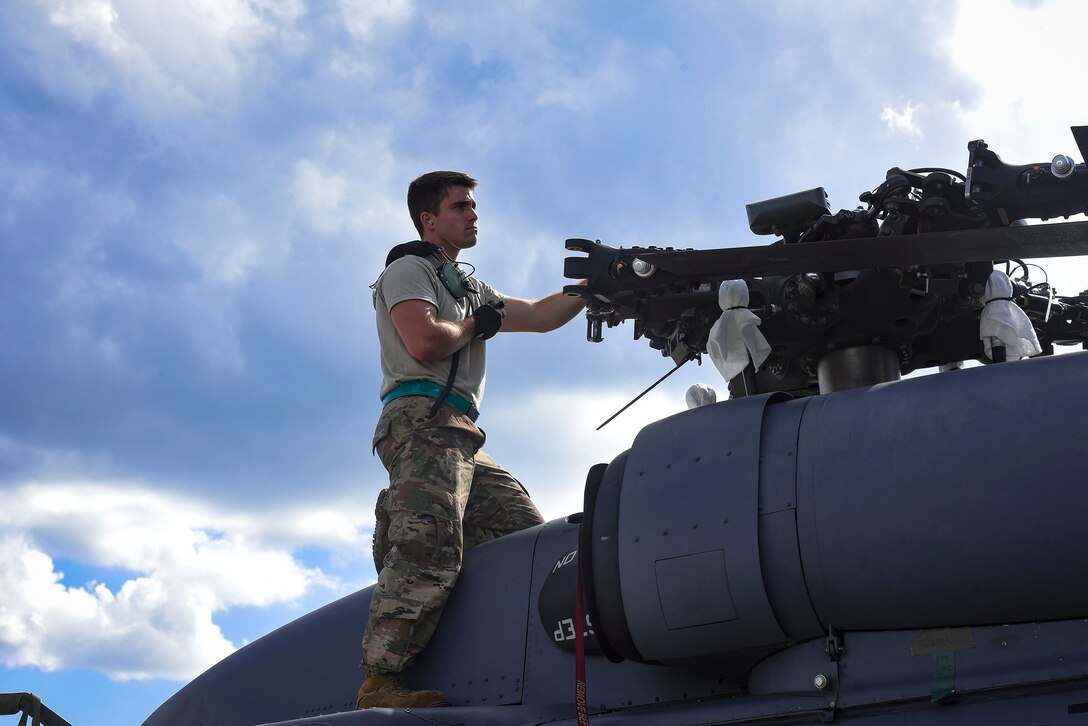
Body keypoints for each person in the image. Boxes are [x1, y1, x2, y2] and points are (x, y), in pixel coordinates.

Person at [356, 171, 586, 709]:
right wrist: (476, 326)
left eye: (474, 206)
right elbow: (425, 338)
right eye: (461, 207)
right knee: (430, 546)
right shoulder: (408, 270)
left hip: (459, 434)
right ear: (428, 219)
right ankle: (380, 681)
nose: (473, 214)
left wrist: (595, 288)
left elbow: (540, 315)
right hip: (420, 421)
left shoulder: (469, 287)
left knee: (525, 536)